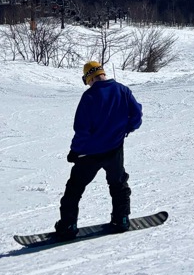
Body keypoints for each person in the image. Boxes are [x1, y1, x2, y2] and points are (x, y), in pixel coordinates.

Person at [54, 60, 143, 238]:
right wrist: (127, 128)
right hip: (115, 149)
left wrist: (75, 151)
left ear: (89, 78)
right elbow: (137, 115)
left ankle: (68, 226)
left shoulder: (89, 97)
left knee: (74, 189)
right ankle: (122, 219)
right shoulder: (122, 90)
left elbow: (82, 129)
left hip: (90, 153)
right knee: (118, 184)